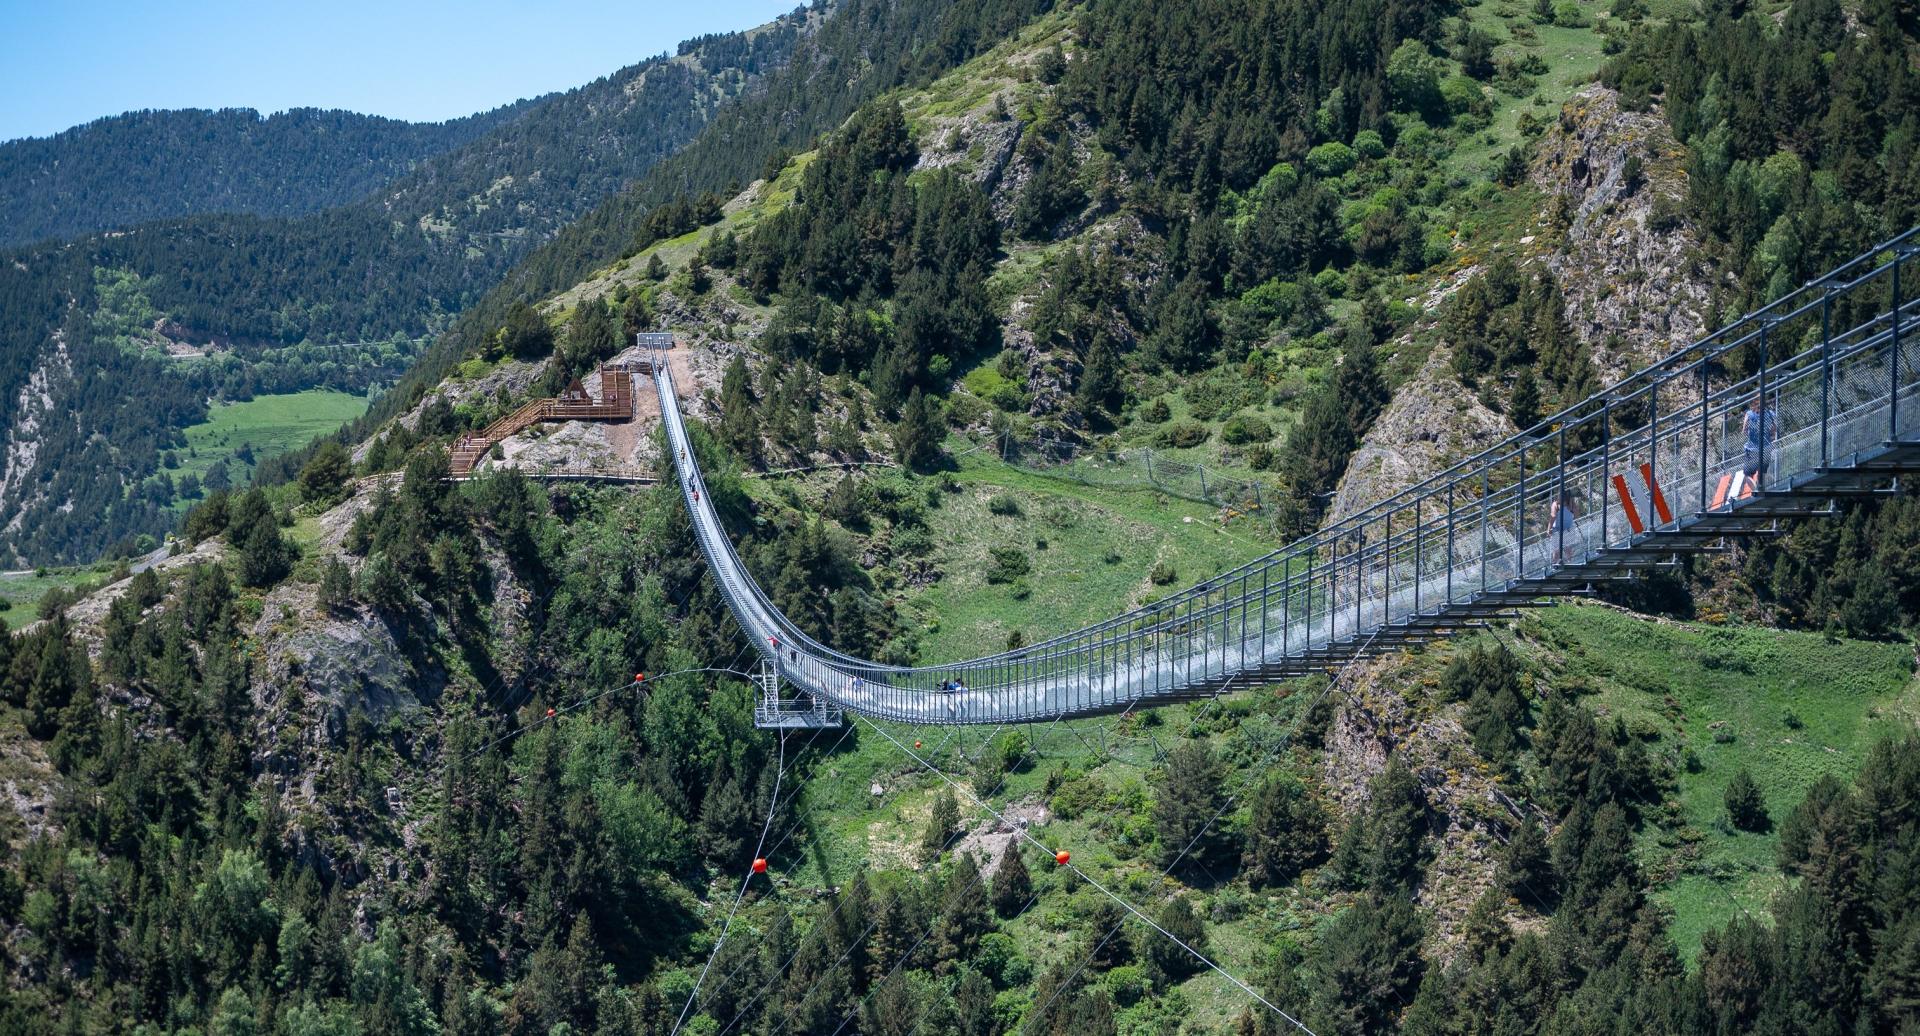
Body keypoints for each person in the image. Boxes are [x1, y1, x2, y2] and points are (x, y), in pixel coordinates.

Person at [1742, 392, 1778, 492]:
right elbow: (1774, 429)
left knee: (1747, 475)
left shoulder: (1749, 414)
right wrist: (1770, 435)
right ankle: (1761, 488)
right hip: (1766, 447)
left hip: (1752, 448)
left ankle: (1755, 491)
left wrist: (1750, 433)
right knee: (1762, 472)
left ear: (1753, 403)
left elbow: (1744, 430)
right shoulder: (1770, 414)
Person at [1549, 487, 1579, 564]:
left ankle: (1555, 567)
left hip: (1557, 531)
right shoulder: (1571, 504)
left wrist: (1549, 529)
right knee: (1568, 549)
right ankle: (1571, 564)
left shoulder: (1555, 504)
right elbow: (1576, 514)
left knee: (1556, 551)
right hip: (1568, 530)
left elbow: (1553, 516)